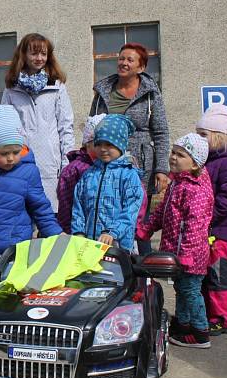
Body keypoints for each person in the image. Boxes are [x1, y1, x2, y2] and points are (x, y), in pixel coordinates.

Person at [0, 105, 62, 292]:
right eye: (4, 153)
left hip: (13, 253)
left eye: (16, 151)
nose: (11, 158)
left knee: (8, 296)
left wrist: (56, 235)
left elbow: (41, 207)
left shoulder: (28, 172)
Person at [138, 134, 214, 348]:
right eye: (173, 152)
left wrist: (187, 255)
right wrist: (147, 228)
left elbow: (195, 227)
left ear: (195, 163)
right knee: (181, 288)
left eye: (180, 155)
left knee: (190, 291)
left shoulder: (196, 190)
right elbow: (162, 211)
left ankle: (200, 331)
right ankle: (183, 324)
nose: (173, 158)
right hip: (177, 253)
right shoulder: (177, 184)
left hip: (191, 255)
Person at [2, 33, 75, 212]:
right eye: (34, 53)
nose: (39, 58)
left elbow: (66, 127)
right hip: (20, 161)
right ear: (24, 55)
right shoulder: (12, 89)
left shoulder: (56, 86)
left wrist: (68, 162)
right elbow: (4, 125)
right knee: (23, 218)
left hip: (51, 163)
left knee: (49, 219)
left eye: (44, 54)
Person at [89, 43, 170, 197]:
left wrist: (161, 169)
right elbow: (91, 128)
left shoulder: (151, 94)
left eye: (130, 60)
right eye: (121, 59)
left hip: (140, 165)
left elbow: (161, 133)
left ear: (141, 68)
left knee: (137, 212)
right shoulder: (102, 92)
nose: (124, 63)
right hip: (106, 163)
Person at [195, 105, 227, 336]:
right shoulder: (210, 159)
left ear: (217, 135)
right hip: (206, 228)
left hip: (217, 230)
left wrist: (207, 218)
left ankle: (222, 318)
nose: (199, 139)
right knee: (205, 275)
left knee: (217, 276)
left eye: (203, 134)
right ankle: (207, 313)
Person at [71, 115, 144, 251]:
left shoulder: (128, 175)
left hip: (117, 246)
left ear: (120, 144)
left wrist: (112, 232)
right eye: (98, 144)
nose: (103, 149)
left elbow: (131, 209)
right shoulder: (89, 174)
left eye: (109, 144)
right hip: (88, 244)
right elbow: (78, 205)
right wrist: (78, 231)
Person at [57, 114, 105, 234]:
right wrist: (67, 231)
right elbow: (65, 203)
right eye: (99, 143)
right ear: (88, 143)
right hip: (80, 232)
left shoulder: (114, 168)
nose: (104, 148)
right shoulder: (73, 170)